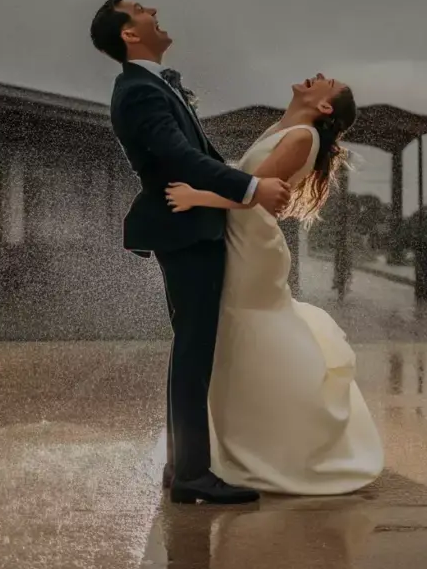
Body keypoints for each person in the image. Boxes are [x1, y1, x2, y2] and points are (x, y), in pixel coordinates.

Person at [90, 0, 292, 505]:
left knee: (193, 346)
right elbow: (179, 157)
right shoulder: (137, 91)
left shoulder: (153, 84)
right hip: (184, 230)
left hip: (194, 225)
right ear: (129, 34)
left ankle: (183, 464)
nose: (152, 9)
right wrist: (250, 188)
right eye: (139, 9)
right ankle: (192, 476)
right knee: (194, 348)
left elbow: (198, 155)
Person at [165, 73, 385, 495]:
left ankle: (277, 443)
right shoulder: (284, 129)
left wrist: (196, 197)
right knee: (237, 336)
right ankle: (235, 442)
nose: (318, 76)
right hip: (241, 237)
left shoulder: (302, 138)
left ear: (324, 107)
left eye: (328, 82)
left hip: (252, 246)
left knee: (248, 329)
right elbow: (247, 183)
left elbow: (251, 195)